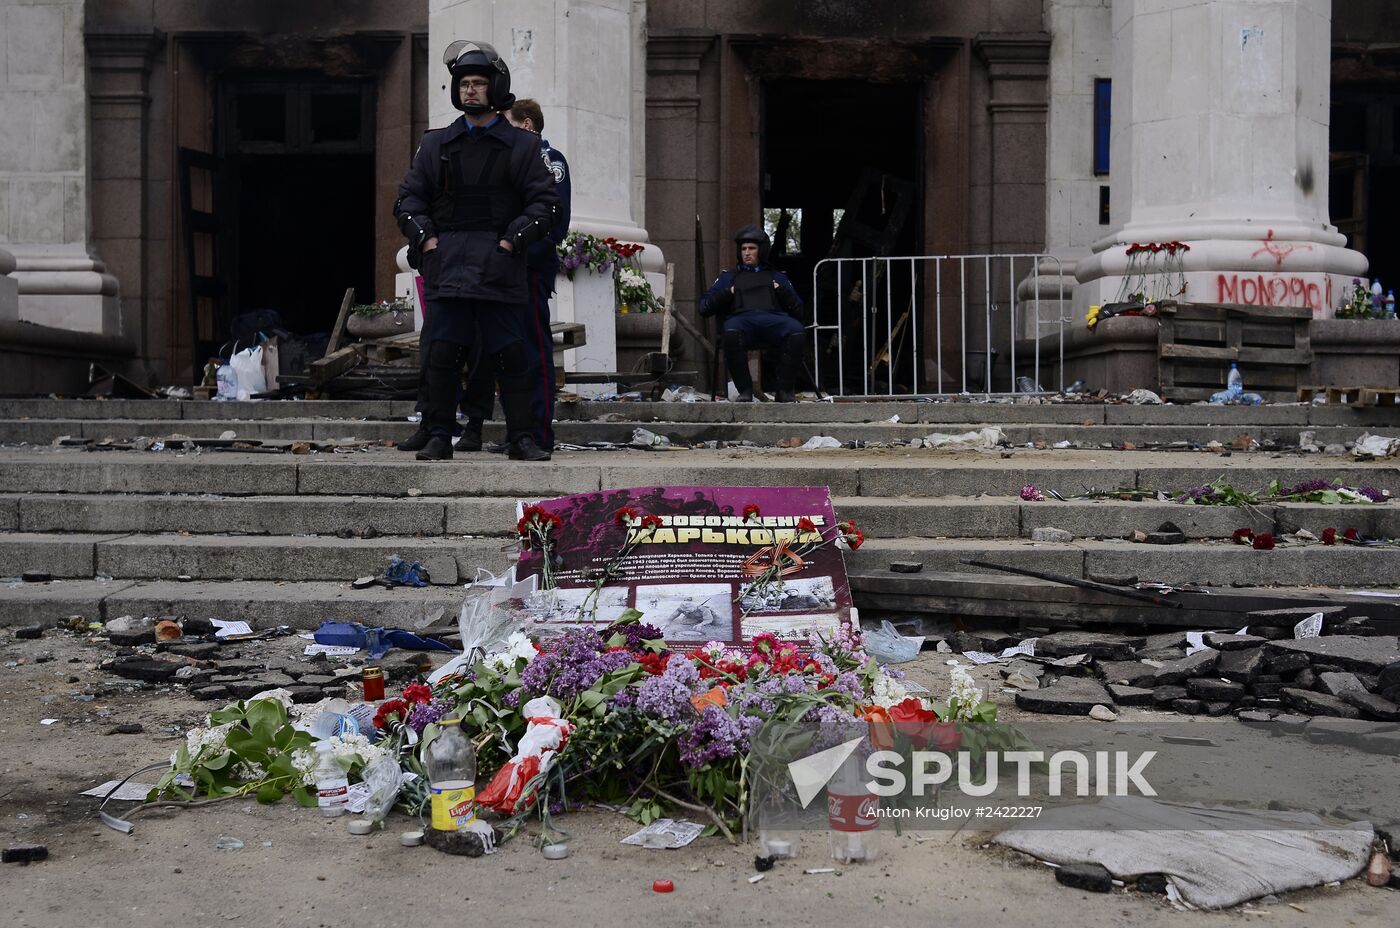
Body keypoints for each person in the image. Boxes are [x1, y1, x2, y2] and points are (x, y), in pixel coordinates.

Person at [393, 40, 561, 461]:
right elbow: (408, 200)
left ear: (495, 86)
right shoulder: (435, 145)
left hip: (500, 266)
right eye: (464, 83)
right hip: (447, 263)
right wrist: (427, 240)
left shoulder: (523, 147)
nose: (470, 90)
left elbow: (545, 204)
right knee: (442, 352)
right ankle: (436, 433)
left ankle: (522, 437)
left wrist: (512, 240)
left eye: (478, 83)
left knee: (511, 353)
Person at [456, 98, 572, 453]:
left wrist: (513, 253)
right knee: (496, 353)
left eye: (505, 123)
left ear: (525, 125)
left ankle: (536, 434)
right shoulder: (507, 158)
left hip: (528, 271)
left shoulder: (549, 161)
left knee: (533, 352)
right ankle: (514, 431)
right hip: (496, 273)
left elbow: (554, 222)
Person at [698, 226, 806, 402]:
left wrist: (781, 291)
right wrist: (729, 292)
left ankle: (784, 391)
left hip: (774, 321)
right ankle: (745, 391)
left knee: (796, 330)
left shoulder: (777, 277)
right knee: (731, 331)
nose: (747, 253)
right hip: (741, 322)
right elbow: (704, 308)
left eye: (752, 248)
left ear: (761, 251)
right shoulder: (728, 277)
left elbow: (799, 310)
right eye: (743, 249)